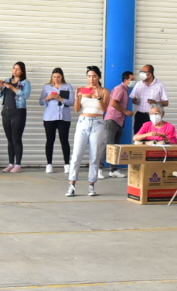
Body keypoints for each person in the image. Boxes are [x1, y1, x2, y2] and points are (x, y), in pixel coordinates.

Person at [67, 67, 109, 197]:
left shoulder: (104, 91)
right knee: (76, 155)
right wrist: (77, 96)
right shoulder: (84, 89)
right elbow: (77, 109)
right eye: (89, 76)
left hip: (98, 122)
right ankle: (72, 185)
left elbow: (105, 109)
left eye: (94, 76)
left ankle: (91, 185)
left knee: (94, 156)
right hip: (83, 121)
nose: (91, 79)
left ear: (99, 77)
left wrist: (98, 98)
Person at [0, 62, 29, 173]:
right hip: (6, 111)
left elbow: (25, 95)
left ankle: (18, 164)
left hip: (18, 111)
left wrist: (12, 87)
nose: (15, 71)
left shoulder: (25, 82)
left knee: (17, 138)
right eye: (14, 68)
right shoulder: (7, 80)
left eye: (18, 69)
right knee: (9, 139)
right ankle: (11, 163)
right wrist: (0, 87)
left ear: (22, 71)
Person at [40, 68, 74, 173]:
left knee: (64, 140)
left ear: (62, 76)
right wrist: (48, 98)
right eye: (54, 77)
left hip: (64, 117)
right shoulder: (47, 87)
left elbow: (72, 102)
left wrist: (60, 98)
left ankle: (67, 164)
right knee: (50, 140)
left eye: (58, 77)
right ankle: (49, 164)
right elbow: (41, 102)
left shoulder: (68, 87)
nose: (56, 79)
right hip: (49, 117)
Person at [102, 70, 133, 178]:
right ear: (126, 80)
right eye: (132, 79)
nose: (133, 81)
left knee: (116, 146)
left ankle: (114, 169)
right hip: (112, 119)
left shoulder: (126, 90)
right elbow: (113, 102)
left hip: (120, 120)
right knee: (108, 144)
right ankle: (98, 168)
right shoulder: (120, 89)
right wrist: (126, 111)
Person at [129, 64, 168, 135]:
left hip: (153, 116)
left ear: (150, 74)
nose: (141, 73)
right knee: (138, 137)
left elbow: (166, 103)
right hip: (140, 115)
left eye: (143, 72)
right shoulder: (139, 84)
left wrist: (156, 102)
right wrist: (135, 101)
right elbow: (133, 99)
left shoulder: (160, 84)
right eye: (141, 71)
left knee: (153, 137)